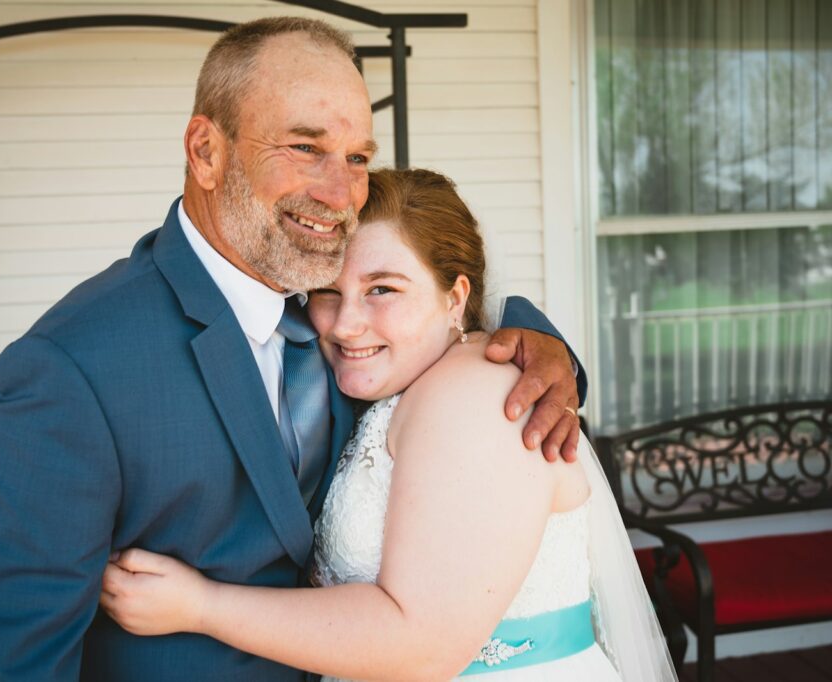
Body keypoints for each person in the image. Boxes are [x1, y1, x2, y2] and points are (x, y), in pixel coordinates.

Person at [0, 18, 587, 681]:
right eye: (305, 146)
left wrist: (543, 347)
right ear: (205, 151)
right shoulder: (70, 371)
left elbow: (437, 335)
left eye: (357, 158)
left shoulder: (335, 314)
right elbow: (7, 665)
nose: (341, 195)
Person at [100, 169, 676, 682]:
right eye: (328, 292)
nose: (347, 324)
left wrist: (199, 607)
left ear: (456, 298)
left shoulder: (481, 392)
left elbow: (421, 645)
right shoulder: (378, 383)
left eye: (382, 289)